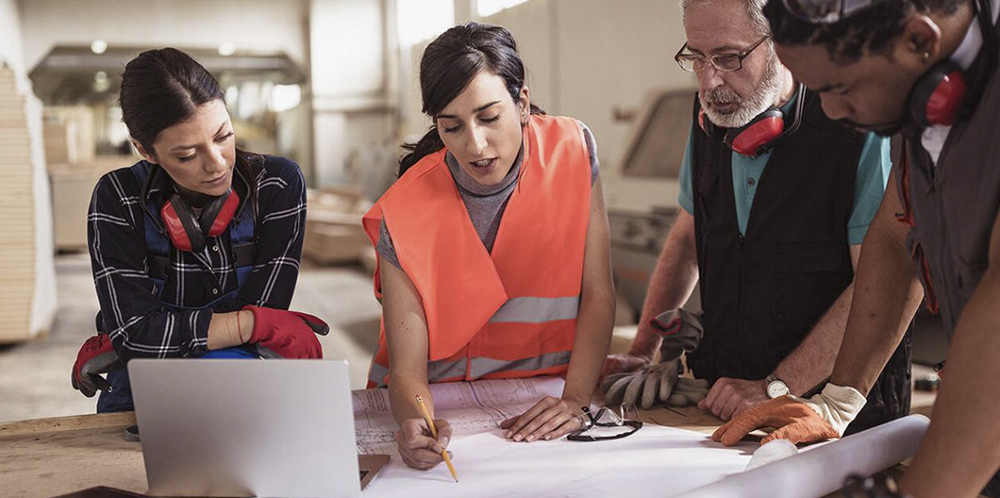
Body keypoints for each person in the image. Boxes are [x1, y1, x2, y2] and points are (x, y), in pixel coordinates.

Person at [713, 0, 1000, 495]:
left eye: (840, 89)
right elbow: (894, 233)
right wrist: (838, 401)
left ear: (920, 40)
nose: (831, 112)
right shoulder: (917, 95)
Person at [605, 0, 913, 433]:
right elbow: (685, 242)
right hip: (729, 404)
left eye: (729, 58)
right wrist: (643, 349)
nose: (710, 81)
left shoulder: (856, 128)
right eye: (696, 57)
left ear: (782, 42)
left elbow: (882, 280)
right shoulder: (711, 120)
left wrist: (776, 386)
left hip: (839, 419)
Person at [360, 23, 615, 470]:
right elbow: (406, 369)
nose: (474, 145)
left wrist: (575, 400)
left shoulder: (573, 150)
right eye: (451, 126)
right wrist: (416, 423)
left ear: (521, 103)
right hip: (441, 405)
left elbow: (598, 291)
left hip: (544, 399)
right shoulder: (404, 208)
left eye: (489, 117)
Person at [70, 48, 328, 413]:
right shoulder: (118, 198)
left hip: (238, 374)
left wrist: (152, 335)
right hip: (143, 388)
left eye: (223, 136)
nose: (218, 164)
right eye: (188, 155)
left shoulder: (277, 185)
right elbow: (135, 337)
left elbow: (265, 309)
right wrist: (248, 324)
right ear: (146, 149)